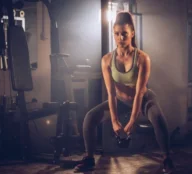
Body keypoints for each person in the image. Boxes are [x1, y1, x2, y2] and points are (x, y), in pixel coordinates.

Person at [74, 11, 174, 173]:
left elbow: (140, 92)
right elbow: (111, 93)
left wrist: (132, 121)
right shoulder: (107, 60)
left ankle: (167, 158)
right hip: (120, 101)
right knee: (90, 117)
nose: (121, 38)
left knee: (157, 117)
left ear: (132, 33)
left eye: (125, 34)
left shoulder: (142, 58)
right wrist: (114, 120)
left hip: (143, 99)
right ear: (113, 34)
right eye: (117, 34)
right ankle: (89, 158)